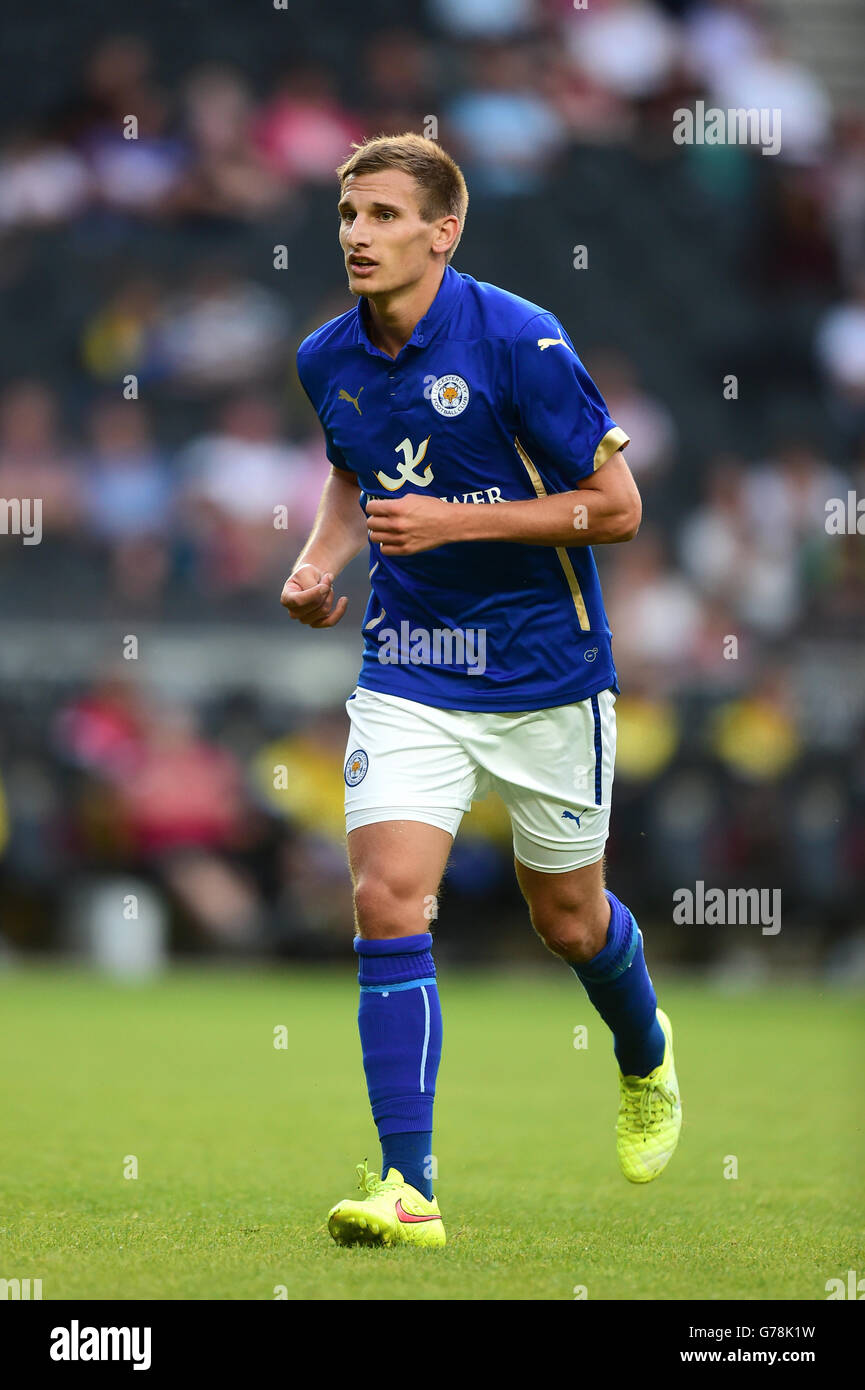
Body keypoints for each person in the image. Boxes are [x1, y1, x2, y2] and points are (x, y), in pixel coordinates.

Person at [281, 133, 681, 1248]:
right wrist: (323, 563)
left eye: (382, 215)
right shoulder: (326, 356)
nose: (358, 234)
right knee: (385, 897)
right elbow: (351, 467)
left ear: (441, 231)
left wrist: (456, 520)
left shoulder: (520, 340)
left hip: (548, 674)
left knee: (567, 920)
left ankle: (643, 1053)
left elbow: (617, 507)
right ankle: (407, 1187)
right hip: (411, 666)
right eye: (349, 213)